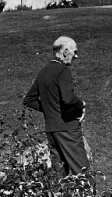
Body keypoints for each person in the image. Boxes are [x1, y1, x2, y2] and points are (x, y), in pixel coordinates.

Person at [23, 36, 90, 177]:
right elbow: (68, 98)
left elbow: (29, 99)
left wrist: (50, 109)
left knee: (59, 174)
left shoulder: (44, 72)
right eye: (75, 52)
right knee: (82, 171)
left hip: (51, 130)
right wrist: (81, 104)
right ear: (65, 51)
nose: (76, 56)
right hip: (67, 129)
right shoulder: (62, 70)